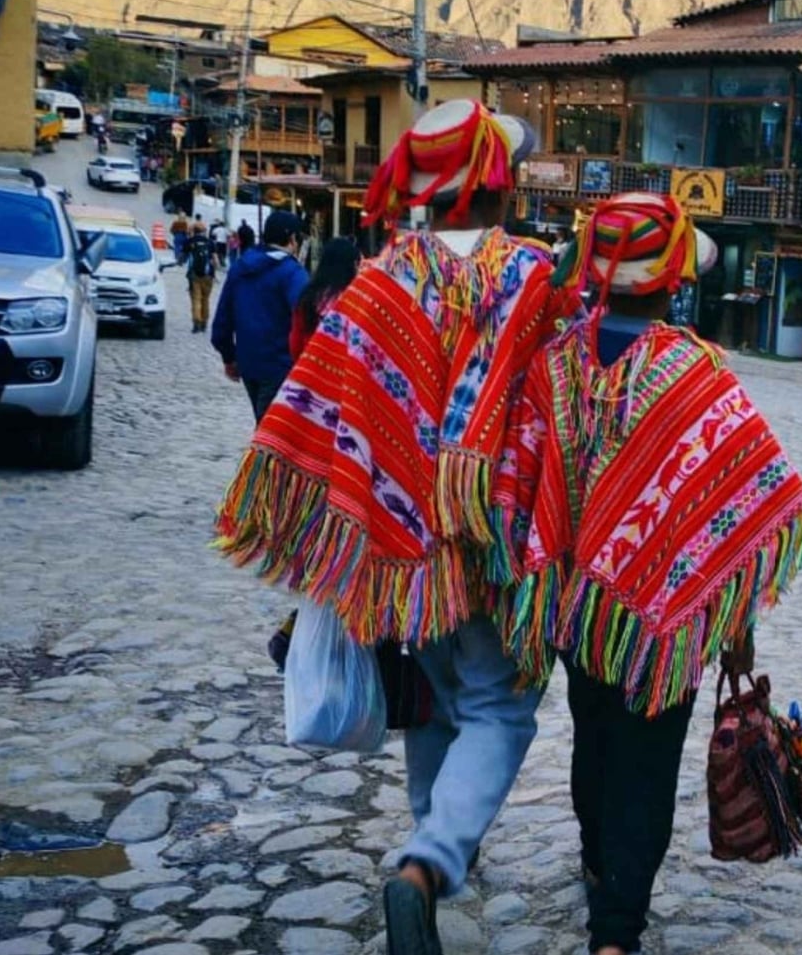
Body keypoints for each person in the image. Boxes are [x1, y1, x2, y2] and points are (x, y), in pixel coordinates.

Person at [212, 100, 577, 955]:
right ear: (499, 180)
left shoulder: (378, 282)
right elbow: (557, 403)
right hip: (493, 545)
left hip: (399, 548)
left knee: (439, 703)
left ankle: (431, 861)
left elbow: (315, 406)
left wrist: (336, 537)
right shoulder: (531, 276)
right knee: (496, 708)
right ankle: (428, 861)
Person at [493, 192, 802, 955]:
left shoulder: (552, 368)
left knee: (593, 743)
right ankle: (616, 930)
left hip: (580, 612)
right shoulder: (698, 377)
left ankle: (600, 866)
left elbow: (522, 483)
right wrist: (736, 628)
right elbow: (736, 509)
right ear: (674, 283)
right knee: (645, 764)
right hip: (665, 621)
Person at [209, 210, 311, 422]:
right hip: (282, 365)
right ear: (292, 238)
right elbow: (306, 317)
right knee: (272, 434)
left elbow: (222, 322)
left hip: (249, 365)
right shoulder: (292, 273)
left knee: (263, 422)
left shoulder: (240, 267)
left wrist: (229, 357)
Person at [289, 236, 360, 360]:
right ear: (352, 266)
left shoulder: (308, 297)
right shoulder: (354, 301)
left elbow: (295, 346)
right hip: (342, 373)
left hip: (311, 370)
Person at [184, 219, 219, 333]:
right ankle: (204, 323)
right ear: (204, 231)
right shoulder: (210, 243)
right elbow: (215, 260)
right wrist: (215, 272)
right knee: (206, 299)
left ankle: (196, 322)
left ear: (194, 231)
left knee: (196, 299)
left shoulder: (190, 241)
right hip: (208, 276)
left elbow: (182, 257)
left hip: (194, 275)